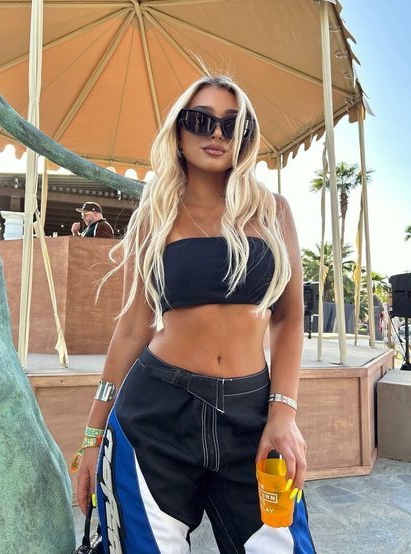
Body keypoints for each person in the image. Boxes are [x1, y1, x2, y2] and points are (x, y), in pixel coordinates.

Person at [75, 75, 315, 553]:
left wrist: (283, 413)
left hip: (251, 415)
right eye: (202, 120)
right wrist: (92, 433)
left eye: (233, 125)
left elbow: (289, 319)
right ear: (179, 131)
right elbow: (133, 327)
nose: (218, 134)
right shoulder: (156, 213)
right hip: (156, 413)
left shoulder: (274, 211)